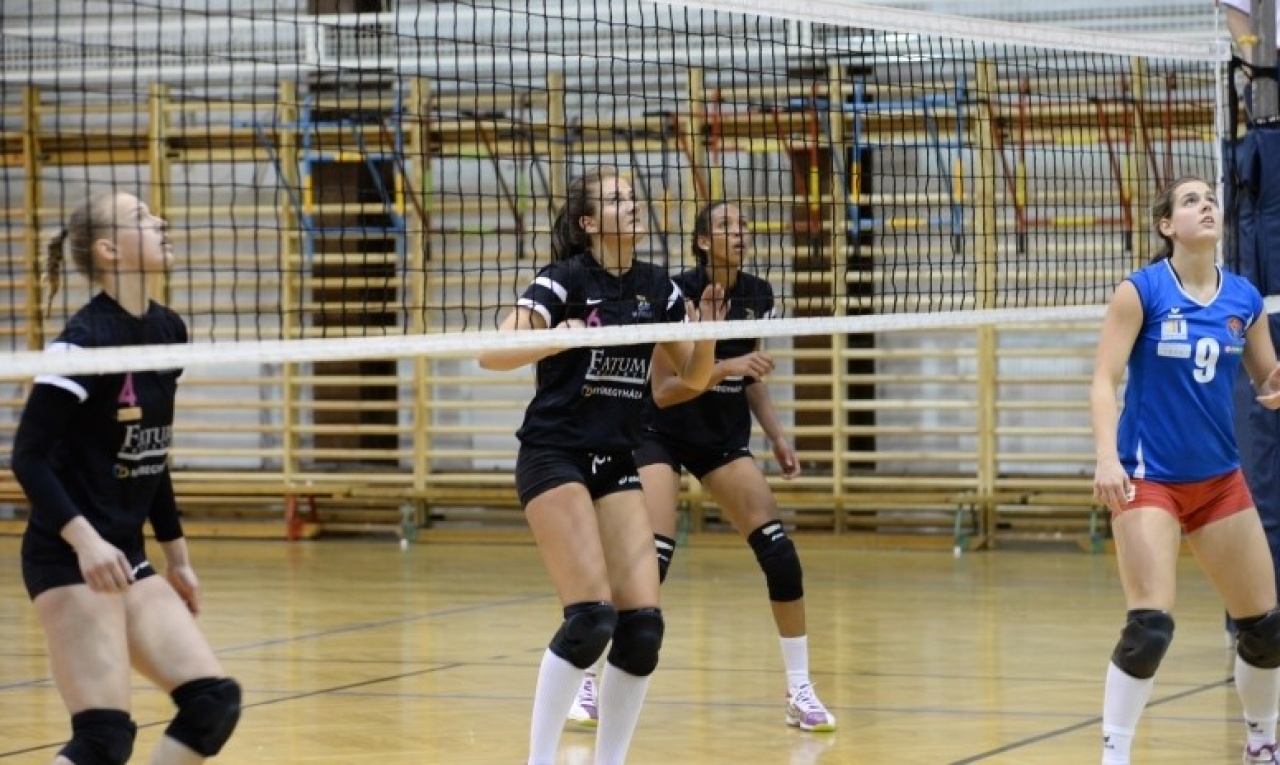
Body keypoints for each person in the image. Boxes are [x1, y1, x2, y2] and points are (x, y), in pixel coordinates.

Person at [477, 167, 724, 765]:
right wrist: (557, 338)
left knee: (643, 630)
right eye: (617, 199)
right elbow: (491, 353)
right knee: (591, 619)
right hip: (554, 454)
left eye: (633, 196)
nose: (633, 205)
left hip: (615, 459)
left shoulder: (658, 288)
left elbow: (692, 379)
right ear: (588, 222)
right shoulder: (563, 280)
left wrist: (711, 336)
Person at [566, 201, 836, 733]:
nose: (740, 233)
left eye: (744, 225)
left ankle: (799, 688)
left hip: (721, 438)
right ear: (703, 242)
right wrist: (726, 364)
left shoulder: (758, 295)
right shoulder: (675, 294)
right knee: (651, 560)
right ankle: (588, 679)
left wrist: (778, 436)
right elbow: (665, 391)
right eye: (726, 226)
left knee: (781, 556)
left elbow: (751, 376)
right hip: (659, 435)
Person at [10, 191, 242, 765]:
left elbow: (150, 451)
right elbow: (28, 456)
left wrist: (177, 556)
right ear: (109, 250)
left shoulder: (167, 329)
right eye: (141, 217)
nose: (160, 220)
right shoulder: (83, 343)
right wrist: (85, 542)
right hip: (70, 559)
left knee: (212, 704)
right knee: (103, 740)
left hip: (128, 556)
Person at [1091, 175, 1280, 765]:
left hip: (1219, 482)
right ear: (1167, 225)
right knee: (1150, 627)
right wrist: (1106, 457)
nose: (1206, 206)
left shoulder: (1244, 299)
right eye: (1191, 200)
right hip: (1149, 479)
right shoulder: (1141, 291)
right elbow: (1103, 381)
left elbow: (1266, 379)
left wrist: (1276, 386)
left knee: (1266, 629)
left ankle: (1262, 742)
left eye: (1211, 199)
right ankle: (1115, 755)